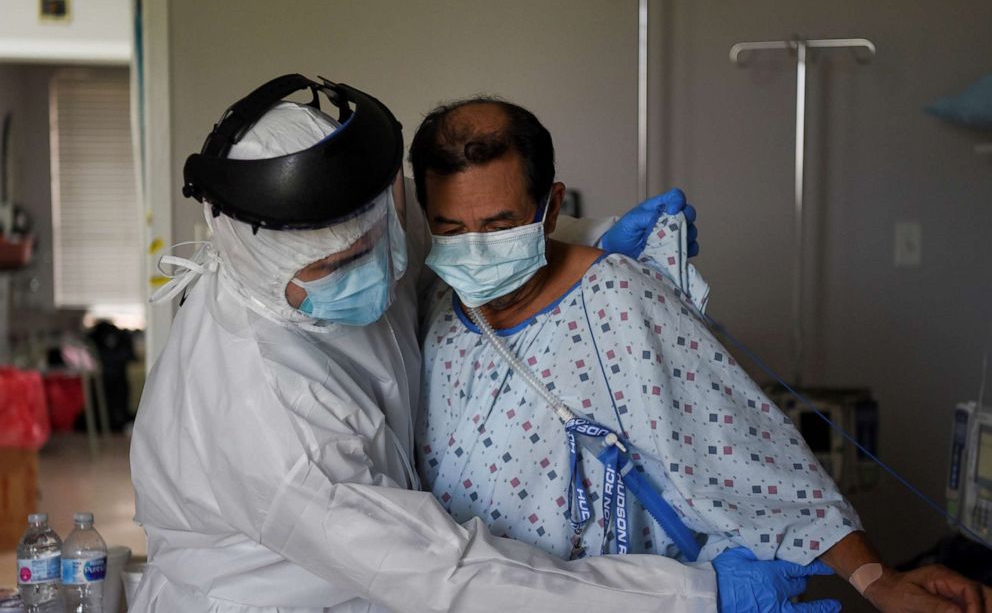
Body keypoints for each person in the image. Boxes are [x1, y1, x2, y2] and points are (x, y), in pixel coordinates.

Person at [130, 74, 822, 613]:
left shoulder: (362, 221)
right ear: (257, 262)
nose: (376, 267)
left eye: (378, 237)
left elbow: (463, 229)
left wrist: (588, 236)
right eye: (332, 267)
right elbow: (444, 576)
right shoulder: (267, 422)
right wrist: (693, 597)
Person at [410, 97, 992, 613]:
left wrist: (878, 581)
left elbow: (744, 453)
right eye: (452, 230)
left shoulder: (617, 300)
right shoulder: (436, 302)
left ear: (551, 207)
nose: (477, 254)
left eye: (500, 226)